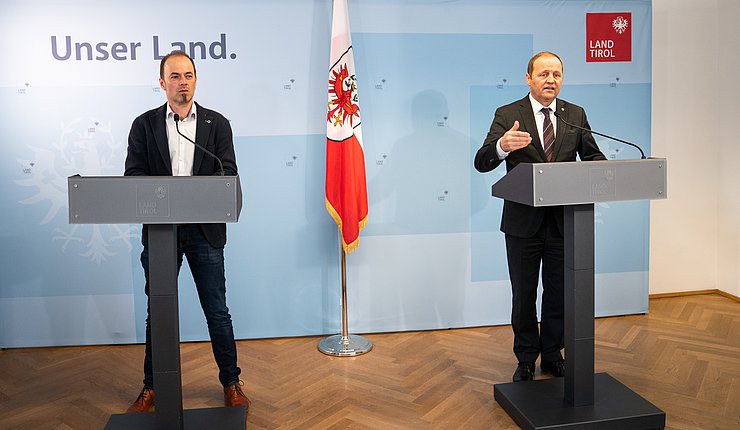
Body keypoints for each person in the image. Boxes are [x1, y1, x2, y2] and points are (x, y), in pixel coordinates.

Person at [124, 51, 249, 412]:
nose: (183, 81)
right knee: (158, 311)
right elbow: (133, 175)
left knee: (217, 310)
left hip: (204, 231)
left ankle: (231, 382)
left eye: (189, 75)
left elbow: (227, 172)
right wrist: (164, 194)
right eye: (175, 76)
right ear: (162, 83)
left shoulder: (217, 124)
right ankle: (151, 388)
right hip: (162, 233)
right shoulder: (144, 125)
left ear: (196, 80)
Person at [474, 52, 606, 382]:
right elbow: (482, 161)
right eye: (544, 74)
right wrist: (503, 146)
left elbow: (592, 156)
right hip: (523, 223)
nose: (551, 80)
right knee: (524, 294)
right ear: (528, 78)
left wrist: (605, 169)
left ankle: (551, 354)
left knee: (558, 291)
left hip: (564, 222)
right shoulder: (508, 114)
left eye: (557, 74)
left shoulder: (574, 114)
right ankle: (525, 359)